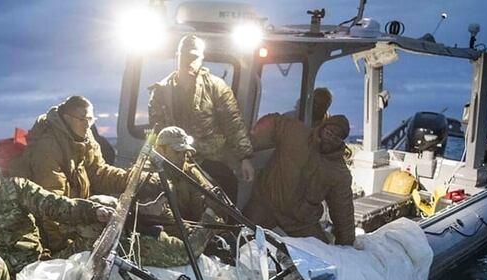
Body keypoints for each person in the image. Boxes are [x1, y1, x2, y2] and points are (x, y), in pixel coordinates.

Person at [0, 142, 115, 276]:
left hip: (35, 268)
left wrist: (92, 211)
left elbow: (54, 204)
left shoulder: (17, 188)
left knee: (95, 230)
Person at [11, 95, 133, 253]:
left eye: (91, 119)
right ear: (67, 118)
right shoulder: (47, 147)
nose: (88, 124)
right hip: (52, 230)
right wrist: (62, 250)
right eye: (83, 119)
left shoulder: (85, 138)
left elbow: (99, 172)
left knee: (111, 209)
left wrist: (130, 179)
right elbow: (51, 205)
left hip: (74, 215)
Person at [148, 34, 254, 200]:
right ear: (178, 56)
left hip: (210, 160)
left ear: (201, 58)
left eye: (194, 57)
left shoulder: (216, 87)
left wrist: (245, 158)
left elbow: (233, 124)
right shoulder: (161, 92)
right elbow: (156, 132)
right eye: (185, 56)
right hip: (174, 161)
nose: (189, 61)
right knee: (155, 193)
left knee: (225, 188)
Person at [244, 113, 356, 245]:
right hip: (266, 202)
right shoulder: (296, 133)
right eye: (329, 132)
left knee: (323, 256)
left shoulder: (339, 172)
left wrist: (347, 244)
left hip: (299, 221)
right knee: (237, 236)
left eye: (337, 138)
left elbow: (343, 211)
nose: (331, 139)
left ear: (341, 142)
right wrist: (247, 148)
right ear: (322, 128)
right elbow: (273, 121)